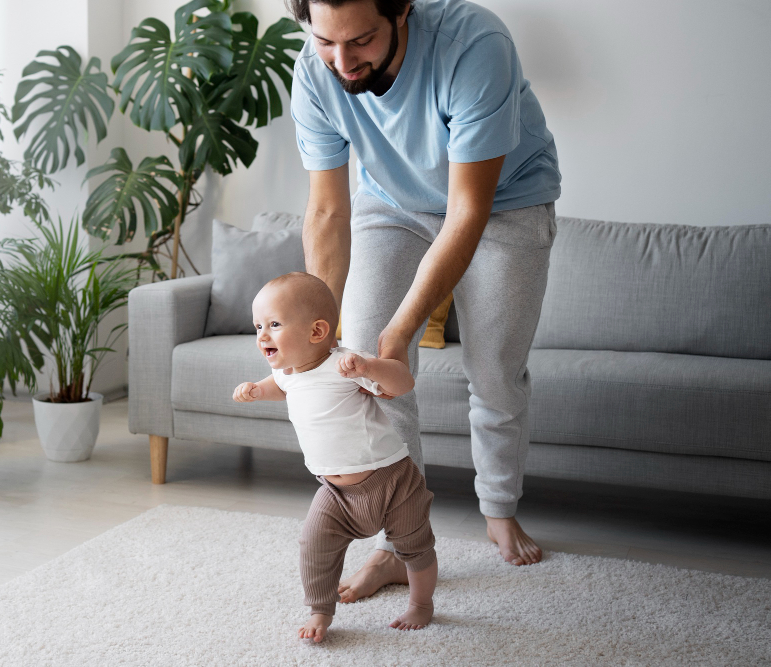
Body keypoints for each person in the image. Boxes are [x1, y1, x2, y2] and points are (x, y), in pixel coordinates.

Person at [287, 0, 563, 603]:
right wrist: (319, 333)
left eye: (360, 41)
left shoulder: (475, 44)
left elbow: (467, 211)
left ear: (402, 10)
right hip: (391, 202)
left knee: (493, 367)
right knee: (361, 359)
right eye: (325, 42)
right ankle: (398, 542)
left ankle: (498, 507)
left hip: (504, 202)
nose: (341, 61)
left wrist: (401, 334)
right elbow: (329, 210)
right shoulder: (314, 70)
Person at [234, 272, 437, 642]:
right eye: (258, 326)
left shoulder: (345, 364)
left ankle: (421, 603)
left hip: (391, 481)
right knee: (314, 544)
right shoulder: (287, 373)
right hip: (335, 491)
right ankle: (320, 609)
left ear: (317, 332)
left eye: (274, 325)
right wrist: (257, 391)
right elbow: (278, 387)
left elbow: (402, 384)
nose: (262, 335)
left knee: (415, 546)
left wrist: (370, 368)